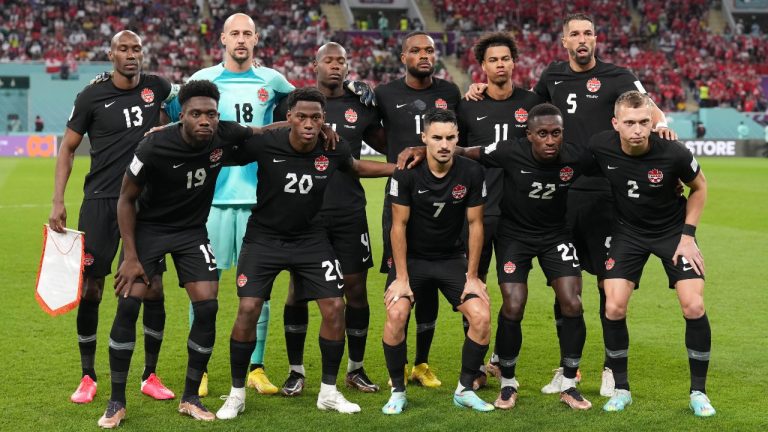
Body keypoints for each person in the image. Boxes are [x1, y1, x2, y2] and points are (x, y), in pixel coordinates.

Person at [165, 14, 376, 396]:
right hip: (211, 198)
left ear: (256, 39)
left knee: (256, 294)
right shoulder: (204, 79)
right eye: (235, 33)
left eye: (248, 33)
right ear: (223, 39)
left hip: (260, 199)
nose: (241, 39)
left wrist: (353, 87)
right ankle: (206, 365)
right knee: (204, 289)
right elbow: (174, 114)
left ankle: (256, 367)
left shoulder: (273, 80)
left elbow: (311, 105)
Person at [467, 13, 677, 395]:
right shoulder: (552, 76)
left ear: (596, 38)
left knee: (606, 285)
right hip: (563, 196)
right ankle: (569, 372)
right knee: (566, 285)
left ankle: (611, 367)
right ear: (564, 42)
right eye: (574, 34)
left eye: (587, 33)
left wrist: (662, 124)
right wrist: (480, 88)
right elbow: (528, 109)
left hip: (604, 194)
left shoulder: (619, 75)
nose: (582, 39)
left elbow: (648, 106)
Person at [397, 104, 593, 411]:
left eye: (556, 133)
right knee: (513, 304)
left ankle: (569, 383)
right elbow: (470, 152)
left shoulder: (576, 157)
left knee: (572, 302)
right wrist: (424, 149)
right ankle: (508, 382)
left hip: (556, 236)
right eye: (542, 134)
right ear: (529, 135)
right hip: (515, 237)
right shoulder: (511, 151)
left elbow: (615, 165)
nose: (550, 140)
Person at [215, 88, 395, 419]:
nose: (309, 123)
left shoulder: (334, 146)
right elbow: (225, 149)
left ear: (324, 120)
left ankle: (328, 391)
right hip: (264, 239)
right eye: (301, 117)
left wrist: (398, 168)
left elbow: (354, 167)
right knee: (249, 307)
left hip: (311, 239)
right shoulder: (267, 143)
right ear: (289, 118)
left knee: (334, 307)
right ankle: (236, 393)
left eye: (316, 117)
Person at [97, 80, 265, 427]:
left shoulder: (224, 135)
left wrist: (308, 126)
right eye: (196, 114)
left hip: (191, 232)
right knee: (129, 303)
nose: (205, 120)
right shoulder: (155, 145)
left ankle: (190, 397)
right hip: (149, 230)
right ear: (182, 116)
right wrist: (130, 256)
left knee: (207, 306)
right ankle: (116, 401)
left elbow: (264, 132)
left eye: (211, 114)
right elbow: (125, 199)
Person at [49, 30, 177, 405]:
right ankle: (87, 376)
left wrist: (167, 127)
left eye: (137, 48)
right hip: (102, 200)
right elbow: (68, 148)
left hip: (147, 204)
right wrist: (58, 200)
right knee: (92, 288)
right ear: (111, 54)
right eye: (124, 48)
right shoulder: (91, 95)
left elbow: (180, 115)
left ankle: (150, 374)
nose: (131, 54)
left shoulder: (159, 87)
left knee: (152, 287)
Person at [592, 91, 714, 417]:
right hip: (627, 234)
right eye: (629, 123)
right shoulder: (600, 146)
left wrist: (688, 237)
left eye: (644, 122)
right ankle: (621, 389)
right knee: (614, 304)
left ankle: (698, 393)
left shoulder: (673, 152)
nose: (637, 130)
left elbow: (700, 188)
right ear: (616, 123)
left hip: (673, 233)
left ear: (653, 121)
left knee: (694, 304)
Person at [276, 42, 387, 396]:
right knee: (298, 291)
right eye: (329, 60)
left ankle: (355, 369)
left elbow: (388, 141)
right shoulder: (294, 104)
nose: (336, 66)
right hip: (305, 213)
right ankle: (296, 371)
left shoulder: (361, 105)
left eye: (342, 60)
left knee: (355, 290)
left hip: (350, 213)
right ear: (315, 64)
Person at [381, 108, 491, 414]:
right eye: (437, 138)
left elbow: (476, 225)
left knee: (481, 315)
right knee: (396, 314)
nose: (444, 144)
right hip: (412, 261)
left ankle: (465, 389)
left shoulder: (471, 172)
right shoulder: (406, 172)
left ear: (458, 138)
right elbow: (397, 225)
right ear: (424, 138)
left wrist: (472, 276)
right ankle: (398, 390)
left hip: (450, 259)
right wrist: (401, 278)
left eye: (450, 138)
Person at [455, 31, 544, 386]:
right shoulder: (468, 105)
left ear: (514, 61)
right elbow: (454, 153)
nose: (500, 64)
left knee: (512, 296)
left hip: (517, 215)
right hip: (475, 211)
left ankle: (503, 362)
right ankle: (474, 368)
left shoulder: (533, 102)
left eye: (505, 58)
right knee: (472, 288)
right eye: (492, 59)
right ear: (482, 66)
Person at [374, 31, 462, 387]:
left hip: (441, 196)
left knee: (430, 281)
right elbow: (369, 129)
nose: (423, 56)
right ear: (403, 56)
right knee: (401, 279)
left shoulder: (451, 92)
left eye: (429, 50)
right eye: (416, 51)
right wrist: (397, 150)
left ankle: (421, 363)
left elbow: (460, 133)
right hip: (402, 193)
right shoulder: (384, 94)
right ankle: (398, 362)